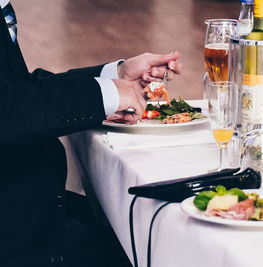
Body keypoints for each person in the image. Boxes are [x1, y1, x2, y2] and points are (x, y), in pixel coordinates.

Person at [0, 0, 182, 266]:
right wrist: (105, 95)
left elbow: (19, 86)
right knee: (159, 242)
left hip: (40, 208)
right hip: (19, 234)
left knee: (147, 230)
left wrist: (114, 77)